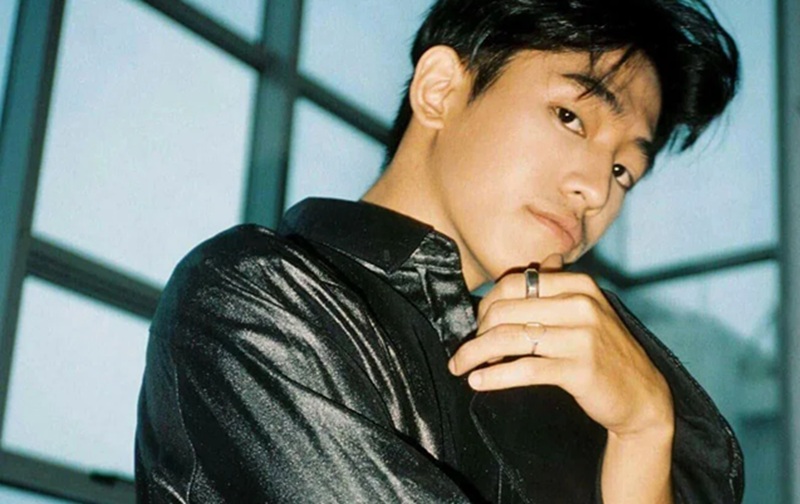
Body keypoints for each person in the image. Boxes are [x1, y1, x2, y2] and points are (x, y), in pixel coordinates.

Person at [135, 0, 744, 502]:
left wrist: (644, 433)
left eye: (622, 169)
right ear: (439, 89)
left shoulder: (571, 388)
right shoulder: (249, 294)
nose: (596, 190)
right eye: (569, 116)